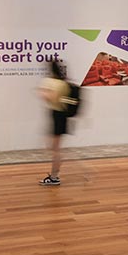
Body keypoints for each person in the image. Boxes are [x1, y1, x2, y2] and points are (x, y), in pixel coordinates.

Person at [37, 57, 80, 186]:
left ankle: (55, 177)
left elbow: (52, 98)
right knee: (54, 148)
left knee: (55, 149)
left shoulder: (51, 82)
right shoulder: (63, 83)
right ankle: (55, 173)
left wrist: (44, 93)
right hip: (61, 116)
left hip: (57, 116)